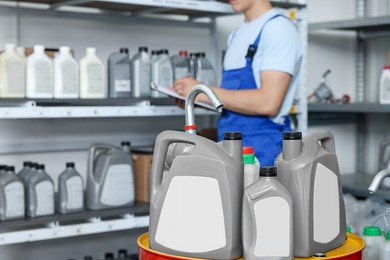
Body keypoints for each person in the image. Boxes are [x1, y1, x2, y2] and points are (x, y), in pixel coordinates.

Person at [173, 0, 302, 166]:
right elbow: (232, 99)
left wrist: (205, 92)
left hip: (263, 150)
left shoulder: (278, 29)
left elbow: (269, 103)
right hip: (228, 146)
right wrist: (195, 100)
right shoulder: (236, 35)